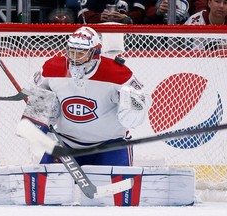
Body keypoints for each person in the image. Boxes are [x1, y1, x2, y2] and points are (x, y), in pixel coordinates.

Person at [21, 26, 150, 166]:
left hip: (110, 145)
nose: (74, 57)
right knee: (46, 185)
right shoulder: (52, 68)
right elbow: (36, 92)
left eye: (81, 52)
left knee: (118, 187)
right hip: (66, 143)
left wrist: (133, 105)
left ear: (95, 52)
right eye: (72, 51)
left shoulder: (117, 73)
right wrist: (41, 111)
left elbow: (143, 98)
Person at [77, 0, 146, 24]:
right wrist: (98, 17)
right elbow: (82, 14)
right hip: (99, 32)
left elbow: (140, 13)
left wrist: (125, 17)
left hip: (128, 33)